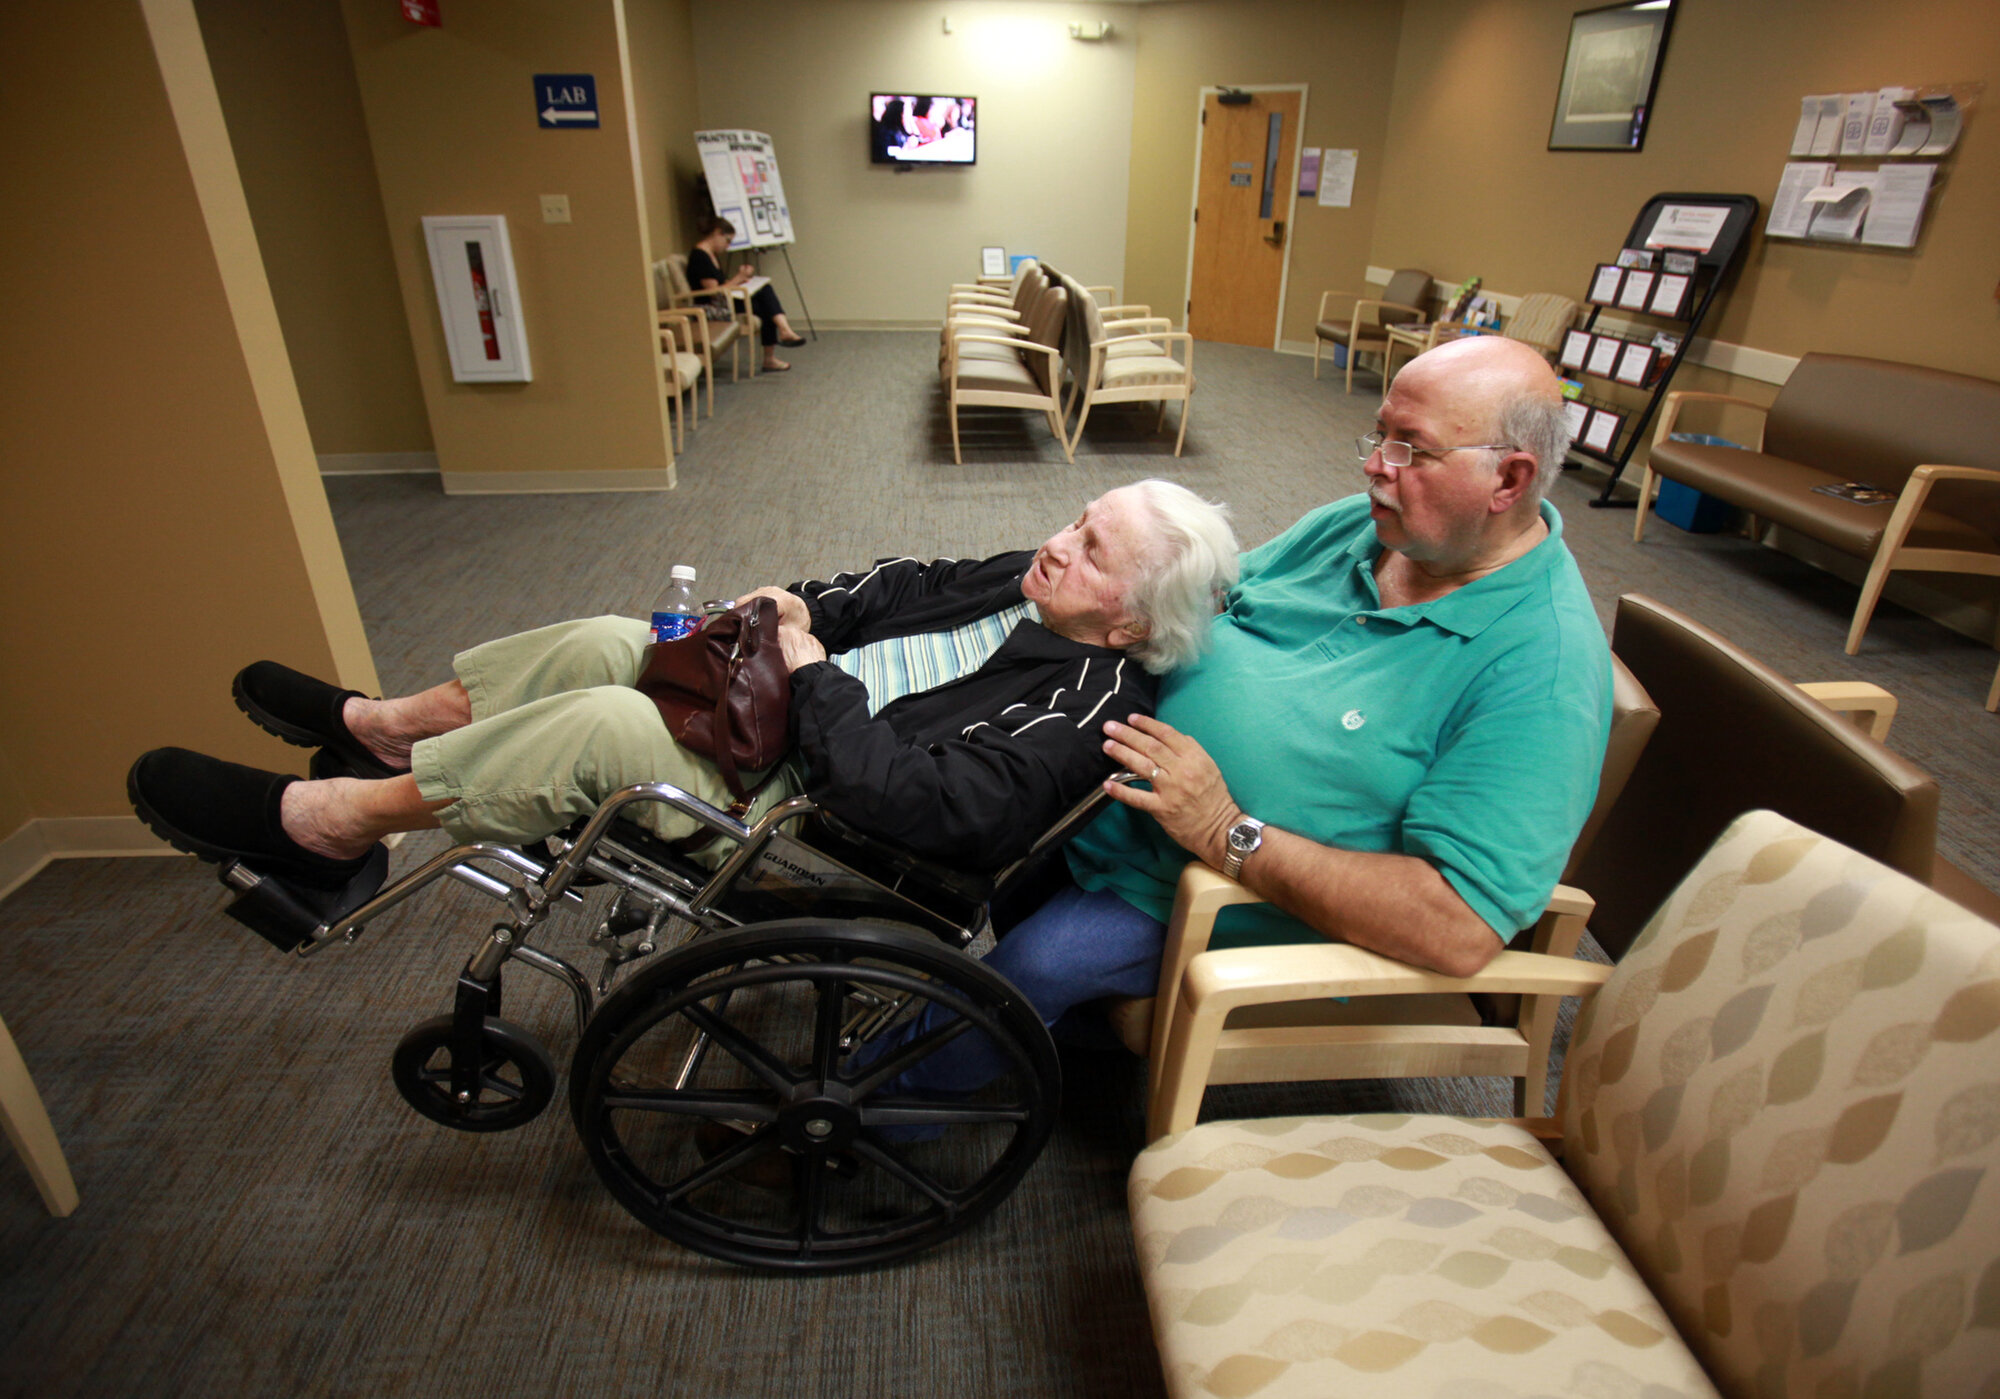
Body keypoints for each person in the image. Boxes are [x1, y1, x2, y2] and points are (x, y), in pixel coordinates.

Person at [882, 335, 1614, 1093]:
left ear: (1509, 479)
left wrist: (1225, 830)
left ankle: (870, 1109)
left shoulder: (1543, 670)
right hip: (1123, 808)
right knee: (967, 827)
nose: (1374, 464)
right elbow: (1207, 594)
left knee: (1034, 964)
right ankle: (1052, 1039)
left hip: (1227, 893)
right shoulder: (1367, 528)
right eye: (1380, 433)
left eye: (1410, 448)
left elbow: (1458, 925)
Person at [127, 481, 1239, 895]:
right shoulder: (1025, 581)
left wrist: (808, 680)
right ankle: (384, 729)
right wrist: (797, 607)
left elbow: (921, 809)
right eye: (1076, 519)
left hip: (810, 823)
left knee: (612, 719)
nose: (1055, 543)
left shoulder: (1086, 710)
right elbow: (889, 585)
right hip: (775, 718)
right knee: (618, 637)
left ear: (1131, 621)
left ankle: (330, 826)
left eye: (1090, 550)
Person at [686, 216, 803, 371]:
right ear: (717, 233)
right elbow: (713, 292)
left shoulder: (711, 255)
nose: (727, 247)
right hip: (712, 308)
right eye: (727, 241)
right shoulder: (700, 257)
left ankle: (782, 332)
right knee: (765, 307)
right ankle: (781, 336)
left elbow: (720, 284)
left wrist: (742, 280)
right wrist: (738, 278)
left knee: (764, 292)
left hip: (723, 301)